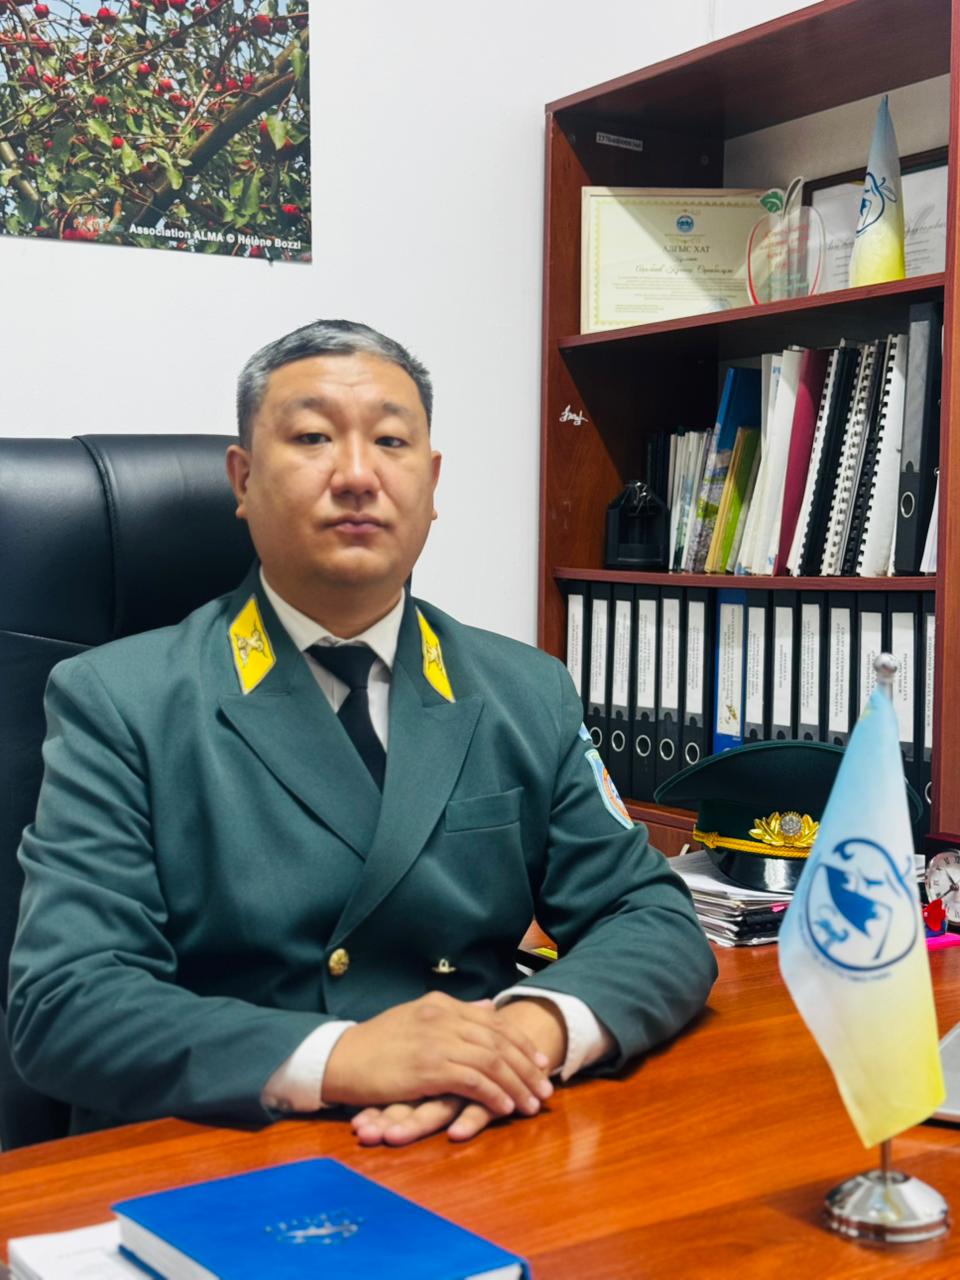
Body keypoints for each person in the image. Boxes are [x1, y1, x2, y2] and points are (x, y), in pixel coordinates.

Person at [8, 320, 716, 1146]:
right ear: (243, 479)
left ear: (432, 482)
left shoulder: (525, 691)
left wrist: (529, 1031)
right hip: (224, 1148)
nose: (355, 475)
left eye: (391, 441)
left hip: (478, 1135)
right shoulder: (120, 700)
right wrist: (341, 1055)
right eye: (312, 437)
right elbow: (66, 1002)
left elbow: (651, 915)